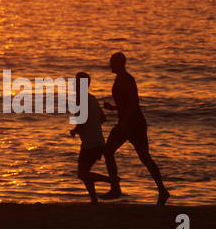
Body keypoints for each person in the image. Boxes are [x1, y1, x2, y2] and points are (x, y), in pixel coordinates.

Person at [101, 52, 170, 205]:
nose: (110, 65)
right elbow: (126, 102)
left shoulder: (124, 79)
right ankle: (162, 190)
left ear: (119, 63)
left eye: (112, 62)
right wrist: (113, 108)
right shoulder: (124, 78)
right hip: (135, 124)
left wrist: (124, 120)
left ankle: (115, 188)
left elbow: (133, 101)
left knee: (108, 151)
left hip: (130, 125)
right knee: (144, 158)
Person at [70, 72, 117, 205]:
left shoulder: (81, 98)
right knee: (85, 172)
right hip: (98, 140)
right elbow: (103, 118)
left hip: (90, 143)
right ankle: (94, 200)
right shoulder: (92, 98)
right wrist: (92, 127)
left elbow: (83, 120)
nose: (74, 84)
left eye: (76, 82)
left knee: (82, 174)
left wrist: (75, 130)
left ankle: (111, 181)